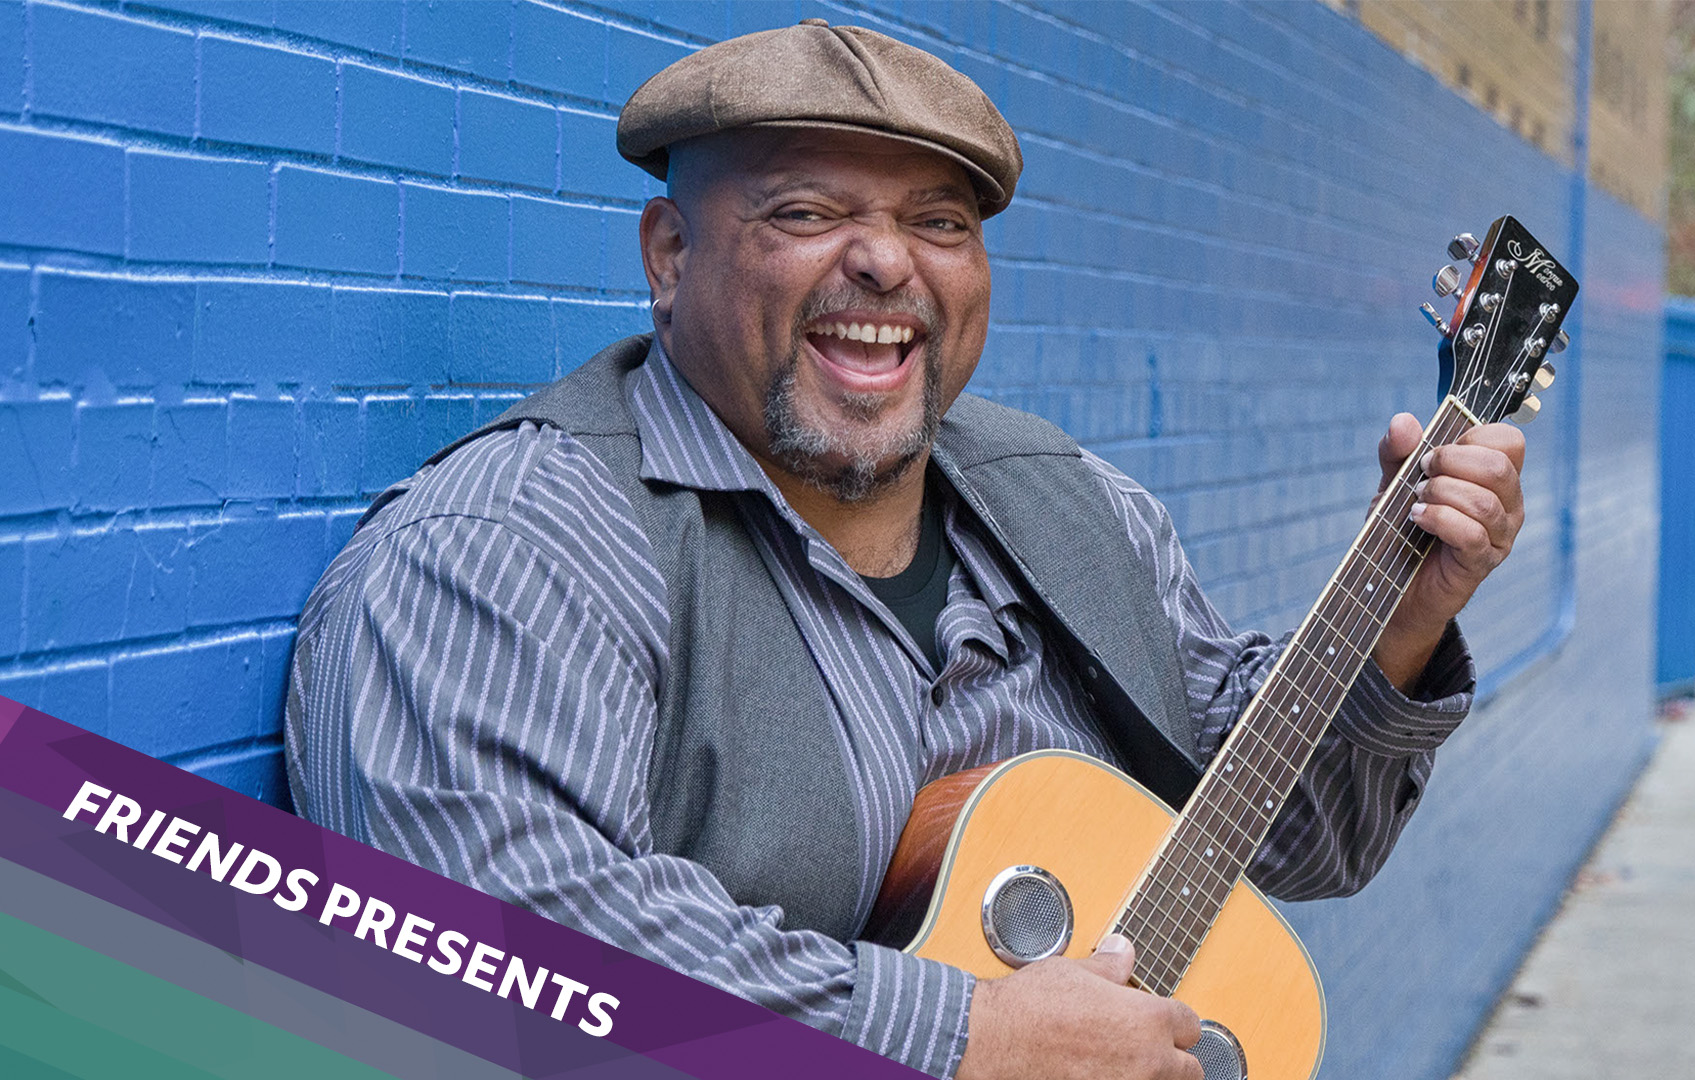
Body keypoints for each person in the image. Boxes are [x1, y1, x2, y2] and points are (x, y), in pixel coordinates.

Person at [284, 20, 1525, 1080]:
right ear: (670, 255)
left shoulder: (1080, 508)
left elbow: (1281, 845)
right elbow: (490, 961)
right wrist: (963, 1033)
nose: (885, 261)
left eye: (939, 220)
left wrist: (1400, 621)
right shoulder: (513, 546)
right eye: (809, 211)